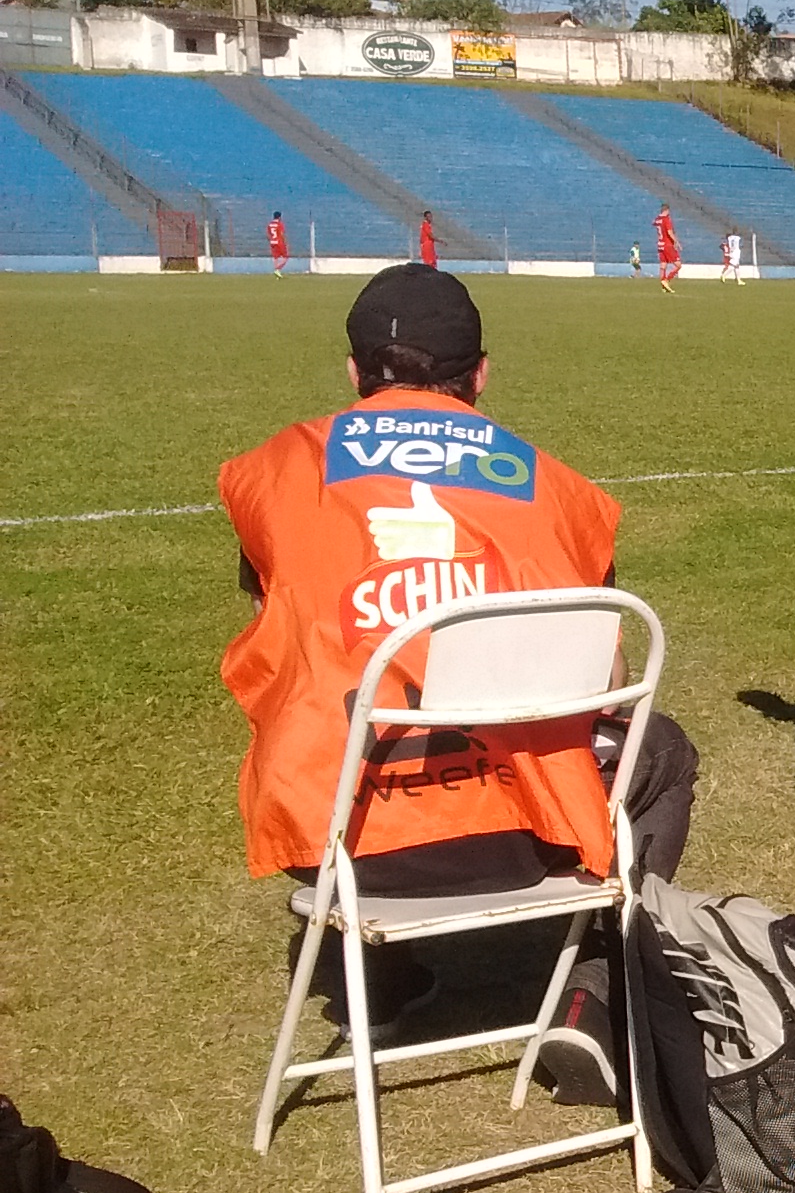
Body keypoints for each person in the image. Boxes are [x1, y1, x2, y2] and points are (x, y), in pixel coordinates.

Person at [219, 264, 697, 1100]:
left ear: (354, 371)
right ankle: (593, 997)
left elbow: (283, 626)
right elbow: (607, 678)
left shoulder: (277, 470)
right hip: (521, 833)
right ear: (480, 375)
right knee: (663, 748)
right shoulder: (553, 484)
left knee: (322, 700)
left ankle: (382, 979)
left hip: (343, 839)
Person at [653, 205, 680, 293]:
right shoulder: (666, 219)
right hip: (667, 245)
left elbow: (654, 223)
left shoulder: (658, 219)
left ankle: (663, 285)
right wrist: (676, 241)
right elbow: (669, 232)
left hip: (660, 244)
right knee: (678, 265)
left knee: (663, 265)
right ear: (667, 210)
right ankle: (667, 280)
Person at [267, 210, 288, 278]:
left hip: (272, 242)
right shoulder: (279, 224)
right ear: (279, 217)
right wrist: (285, 242)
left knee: (276, 258)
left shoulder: (270, 224)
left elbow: (268, 235)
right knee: (285, 257)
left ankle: (277, 274)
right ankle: (277, 269)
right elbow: (281, 234)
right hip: (279, 242)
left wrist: (271, 240)